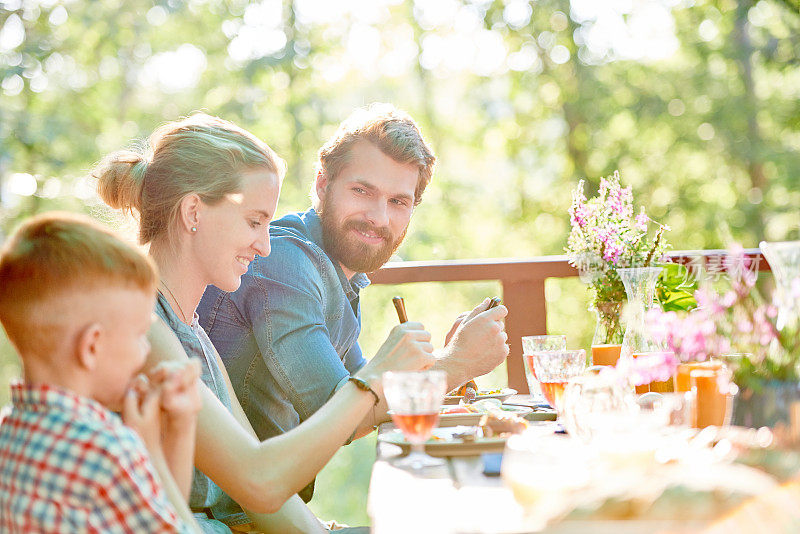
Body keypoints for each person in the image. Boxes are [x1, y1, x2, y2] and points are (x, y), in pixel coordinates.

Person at [94, 113, 435, 533]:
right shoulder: (143, 329)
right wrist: (374, 378)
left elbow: (263, 493)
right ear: (193, 212)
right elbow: (258, 482)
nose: (265, 243)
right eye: (255, 221)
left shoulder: (192, 332)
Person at [197, 103, 510, 500]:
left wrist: (449, 360)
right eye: (363, 191)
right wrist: (455, 365)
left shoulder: (339, 271)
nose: (378, 217)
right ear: (322, 184)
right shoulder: (284, 262)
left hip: (273, 513)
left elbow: (366, 396)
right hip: (235, 519)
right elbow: (338, 414)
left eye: (399, 201)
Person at [0, 212, 201, 533]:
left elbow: (160, 508)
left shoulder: (8, 430)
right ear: (92, 346)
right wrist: (147, 445)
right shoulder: (107, 448)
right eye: (139, 335)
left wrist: (180, 426)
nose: (146, 351)